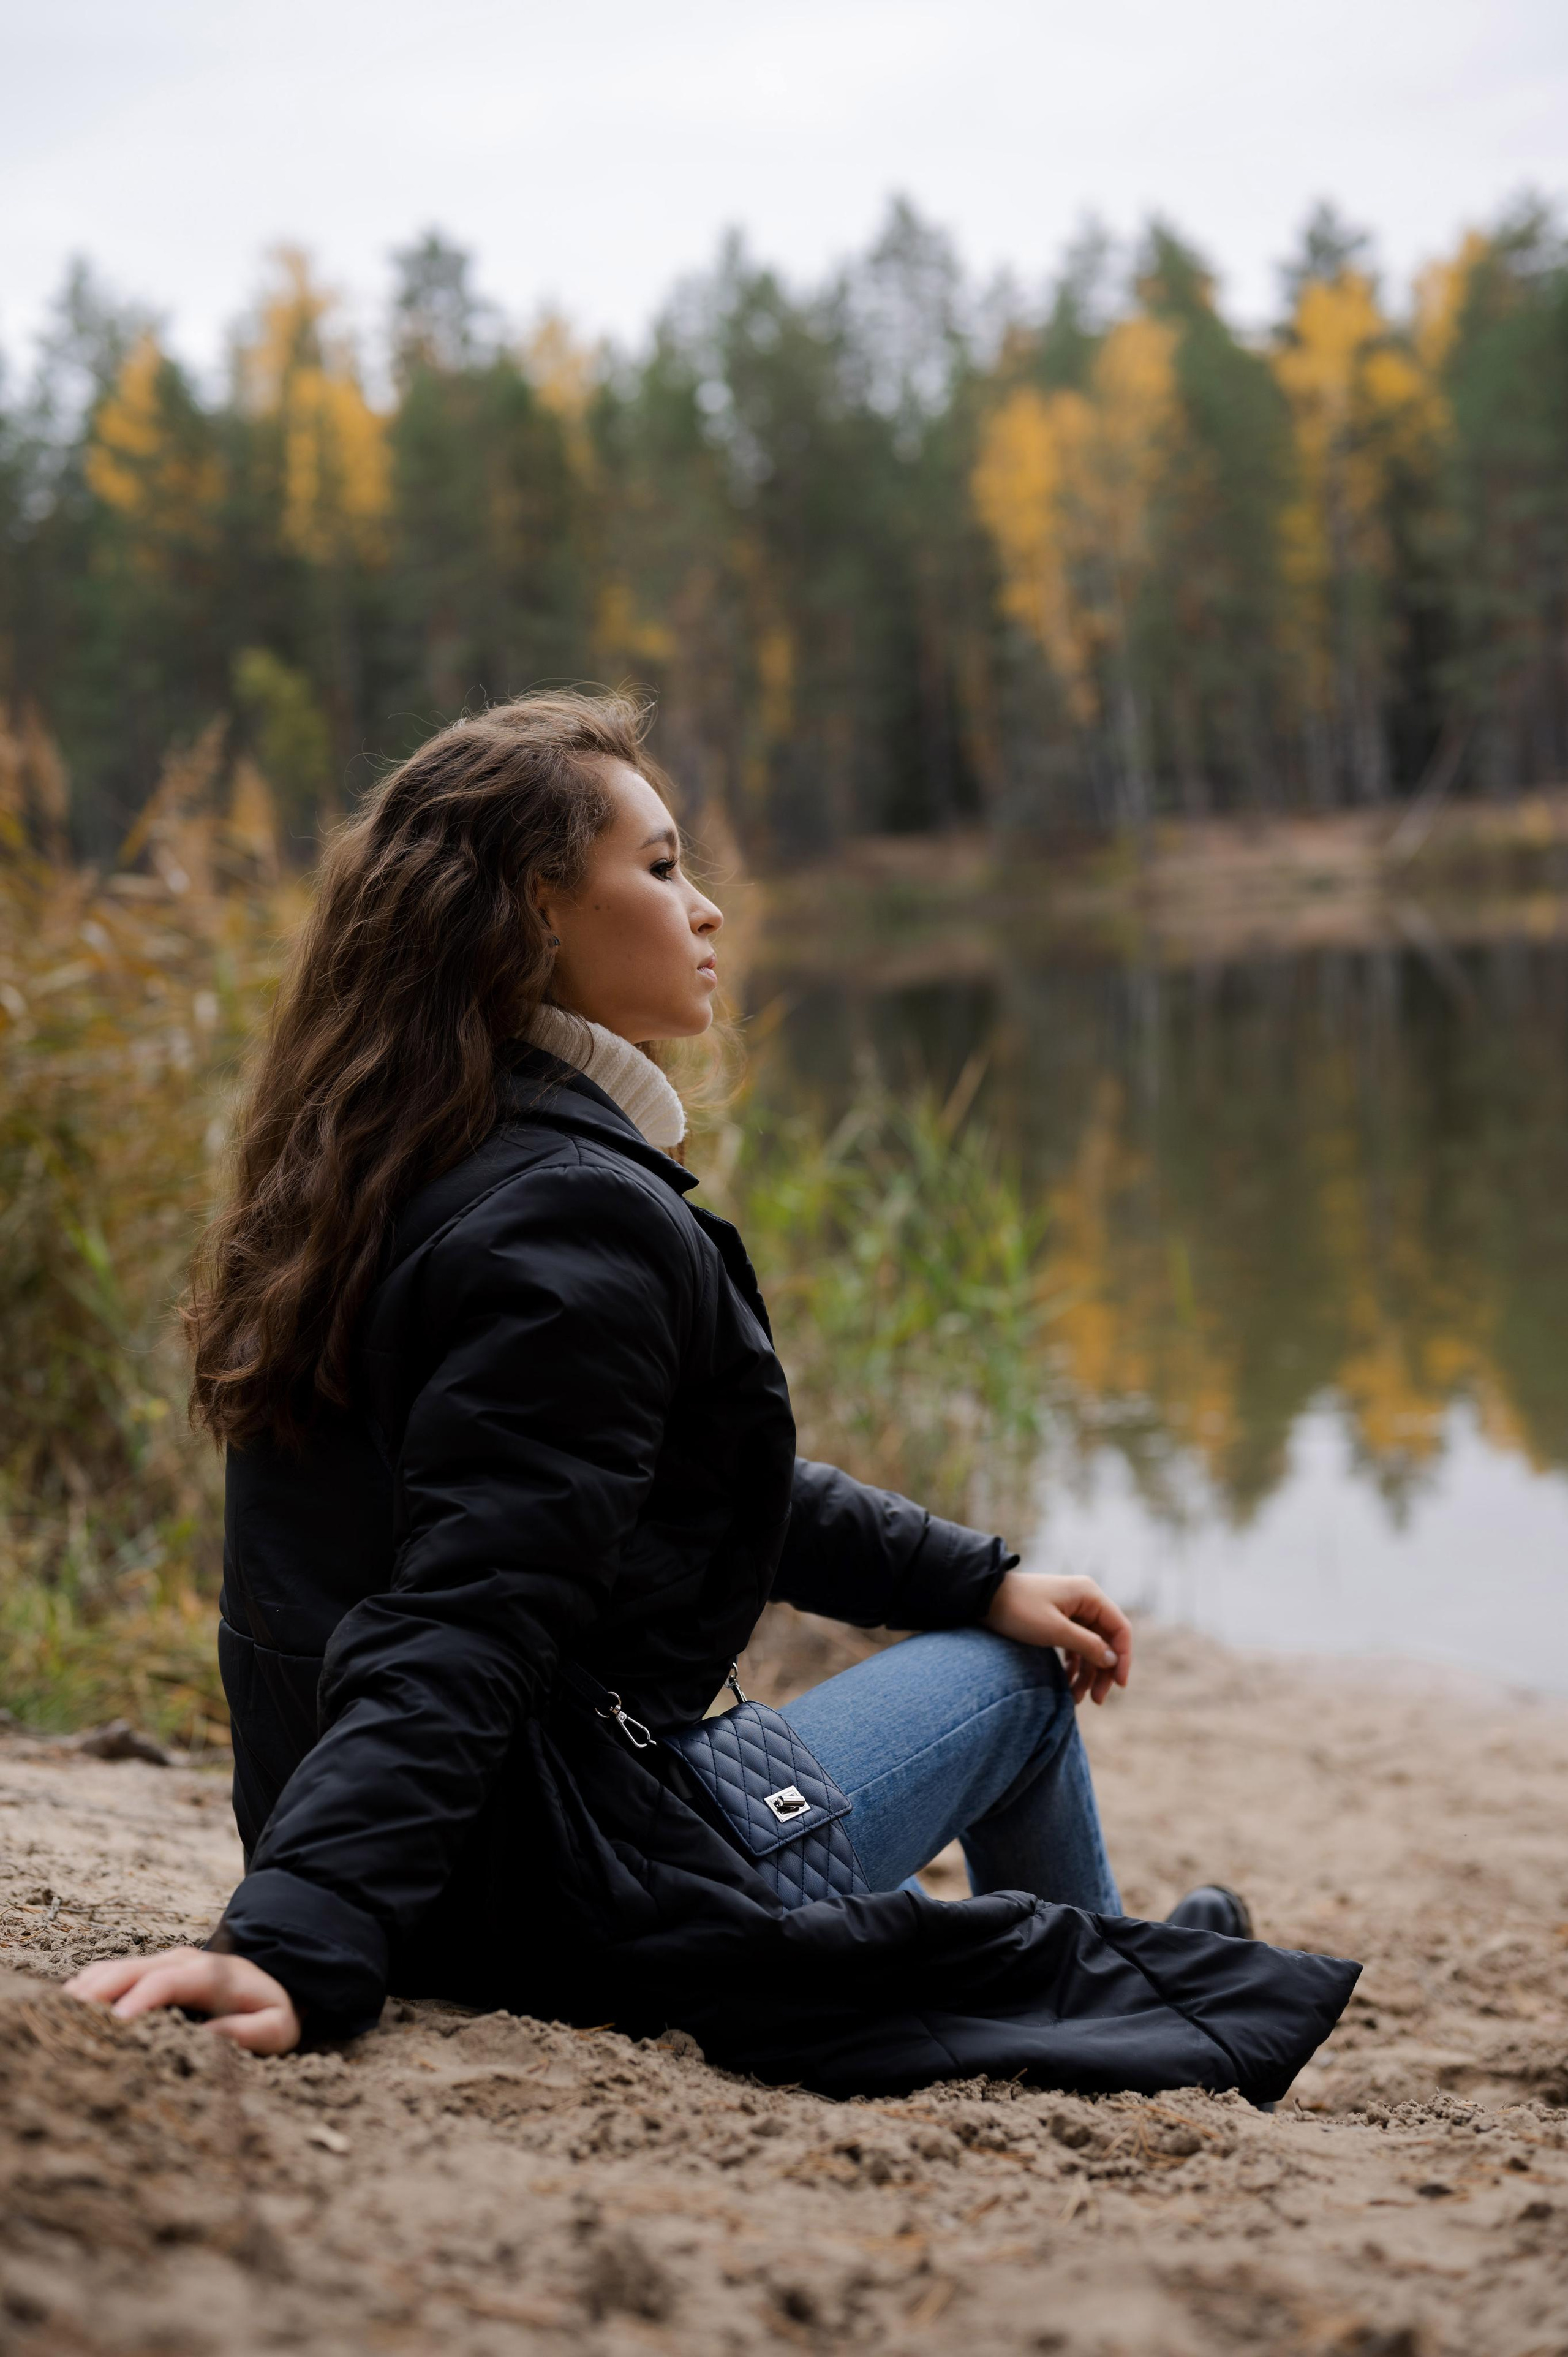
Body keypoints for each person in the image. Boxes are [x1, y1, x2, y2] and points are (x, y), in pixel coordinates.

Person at [67, 691, 1355, 2097]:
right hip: (551, 1882)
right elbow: (468, 1609)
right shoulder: (571, 1215)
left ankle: (1114, 1958)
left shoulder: (398, 1160)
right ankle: (1128, 1986)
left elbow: (675, 1481)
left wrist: (974, 1572)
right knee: (1021, 1687)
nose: (709, 910)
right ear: (536, 913)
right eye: (663, 866)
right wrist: (298, 1933)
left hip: (437, 1850)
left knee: (999, 1635)